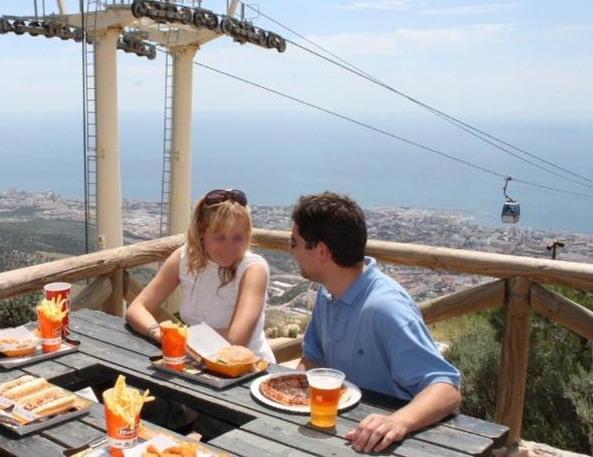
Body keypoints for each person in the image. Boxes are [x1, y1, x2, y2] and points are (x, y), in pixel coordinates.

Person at [290, 192, 461, 453]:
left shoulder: (385, 308)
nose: (291, 251)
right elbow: (313, 361)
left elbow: (447, 389)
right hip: (341, 433)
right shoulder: (327, 293)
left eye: (294, 243)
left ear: (321, 251)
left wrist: (397, 422)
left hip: (385, 444)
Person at [126, 188, 275, 363]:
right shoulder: (184, 258)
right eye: (220, 237)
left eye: (237, 238)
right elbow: (136, 309)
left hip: (249, 370)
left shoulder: (252, 269)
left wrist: (179, 337)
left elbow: (236, 339)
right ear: (202, 233)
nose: (229, 247)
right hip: (198, 362)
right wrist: (159, 334)